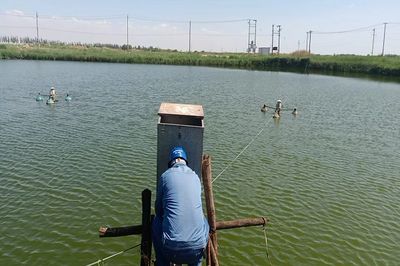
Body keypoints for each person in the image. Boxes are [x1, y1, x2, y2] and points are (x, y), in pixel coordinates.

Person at [152, 146, 209, 266]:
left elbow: (158, 210)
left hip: (171, 249)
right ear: (186, 162)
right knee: (204, 221)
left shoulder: (165, 176)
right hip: (197, 249)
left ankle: (162, 263)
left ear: (171, 162)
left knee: (156, 222)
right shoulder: (195, 177)